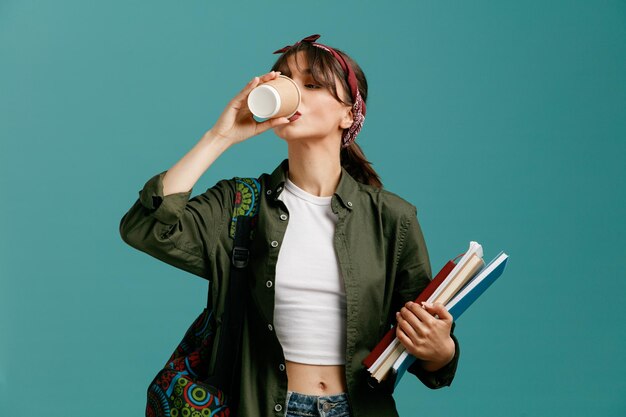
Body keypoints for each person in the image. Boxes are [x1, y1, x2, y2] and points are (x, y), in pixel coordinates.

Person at [120, 34, 460, 417]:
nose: (293, 91)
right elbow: (146, 228)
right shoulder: (240, 205)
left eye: (311, 84)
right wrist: (221, 137)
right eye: (284, 78)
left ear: (349, 114)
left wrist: (441, 350)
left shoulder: (392, 218)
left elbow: (424, 346)